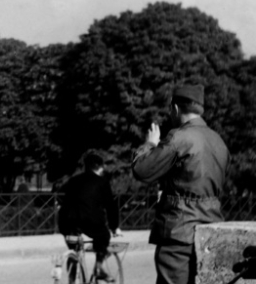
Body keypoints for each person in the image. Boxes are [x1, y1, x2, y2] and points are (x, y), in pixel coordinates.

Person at [133, 84, 229, 284]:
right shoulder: (218, 140)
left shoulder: (179, 137)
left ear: (175, 109)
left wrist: (150, 144)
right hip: (212, 228)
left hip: (179, 231)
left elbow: (142, 171)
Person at [58, 150, 121, 281]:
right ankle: (98, 268)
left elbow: (61, 197)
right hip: (89, 222)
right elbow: (111, 206)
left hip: (66, 222)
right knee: (103, 236)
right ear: (100, 167)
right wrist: (114, 227)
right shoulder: (102, 182)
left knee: (74, 251)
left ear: (85, 166)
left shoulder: (73, 180)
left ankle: (72, 279)